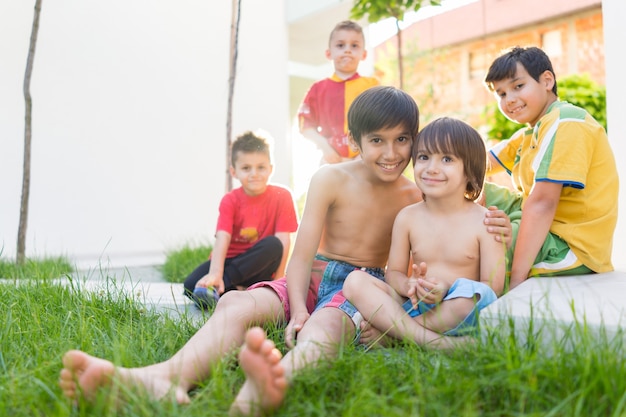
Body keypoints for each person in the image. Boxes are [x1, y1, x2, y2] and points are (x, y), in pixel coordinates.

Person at [58, 87, 512, 416]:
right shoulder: (330, 179)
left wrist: (495, 222)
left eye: (402, 140)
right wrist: (295, 308)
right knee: (237, 301)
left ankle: (272, 385)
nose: (391, 153)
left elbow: (464, 200)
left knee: (325, 327)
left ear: (415, 140)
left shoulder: (416, 196)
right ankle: (165, 377)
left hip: (361, 287)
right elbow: (301, 253)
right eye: (377, 140)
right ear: (354, 140)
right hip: (313, 276)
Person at [343, 117, 506, 348]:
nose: (432, 168)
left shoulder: (485, 221)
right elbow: (394, 274)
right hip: (415, 303)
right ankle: (432, 342)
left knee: (474, 296)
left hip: (458, 310)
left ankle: (395, 334)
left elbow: (493, 286)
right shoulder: (408, 217)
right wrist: (411, 286)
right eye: (424, 157)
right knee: (355, 281)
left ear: (470, 171)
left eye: (447, 159)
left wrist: (446, 288)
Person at [482, 46, 618, 290]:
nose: (509, 99)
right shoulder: (531, 131)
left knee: (479, 242)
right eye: (501, 94)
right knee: (456, 185)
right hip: (545, 228)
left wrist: (517, 284)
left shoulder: (567, 121)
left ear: (546, 81)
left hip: (569, 245)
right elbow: (474, 164)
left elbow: (543, 203)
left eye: (518, 86)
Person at [183, 130, 298, 309]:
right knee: (190, 285)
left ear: (271, 168)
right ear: (234, 171)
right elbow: (223, 237)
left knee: (273, 245)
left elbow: (284, 240)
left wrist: (279, 281)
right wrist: (215, 272)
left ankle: (222, 287)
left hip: (260, 264)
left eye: (261, 167)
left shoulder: (282, 196)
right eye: (246, 168)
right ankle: (237, 289)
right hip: (231, 260)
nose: (254, 174)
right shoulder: (230, 200)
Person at [297, 20, 379, 164]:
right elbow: (306, 126)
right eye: (340, 45)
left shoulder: (372, 86)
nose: (347, 50)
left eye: (354, 45)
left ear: (364, 54)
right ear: (328, 53)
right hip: (331, 158)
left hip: (364, 158)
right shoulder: (318, 89)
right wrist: (325, 148)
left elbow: (382, 123)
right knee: (322, 182)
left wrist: (365, 153)